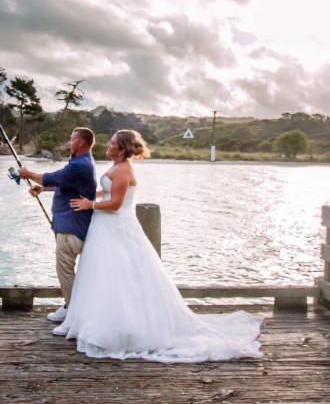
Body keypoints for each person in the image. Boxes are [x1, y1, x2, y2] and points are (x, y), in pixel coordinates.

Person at [60, 130, 262, 362]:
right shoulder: (117, 167)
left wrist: (90, 204)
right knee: (104, 275)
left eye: (113, 142)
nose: (109, 144)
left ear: (122, 149)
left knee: (119, 275)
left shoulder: (124, 169)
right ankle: (98, 320)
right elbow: (108, 191)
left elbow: (115, 204)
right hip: (105, 228)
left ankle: (121, 328)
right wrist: (84, 196)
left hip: (116, 228)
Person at [17, 127, 97, 324]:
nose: (69, 143)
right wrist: (43, 188)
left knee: (65, 270)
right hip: (71, 225)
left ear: (81, 143)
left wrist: (28, 173)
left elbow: (51, 177)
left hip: (71, 229)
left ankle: (72, 311)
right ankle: (73, 306)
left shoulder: (79, 165)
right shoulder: (81, 163)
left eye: (72, 139)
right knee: (68, 270)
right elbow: (63, 183)